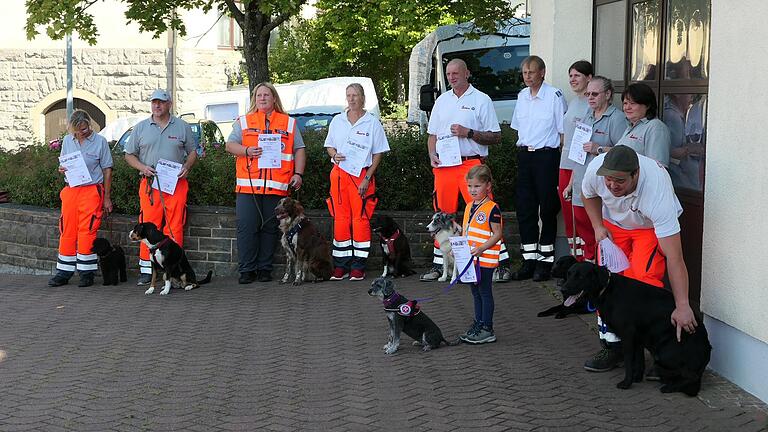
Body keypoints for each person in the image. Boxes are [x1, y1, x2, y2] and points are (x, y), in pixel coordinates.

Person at [580, 145, 698, 372]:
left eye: (620, 181)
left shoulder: (657, 193)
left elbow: (675, 258)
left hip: (648, 228)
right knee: (606, 284)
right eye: (609, 180)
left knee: (643, 281)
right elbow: (588, 193)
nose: (612, 185)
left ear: (636, 174)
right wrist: (597, 225)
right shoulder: (596, 170)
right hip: (613, 225)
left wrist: (683, 305)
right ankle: (613, 348)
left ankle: (655, 350)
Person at [420, 58, 510, 282]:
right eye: (449, 74)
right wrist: (431, 154)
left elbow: (496, 136)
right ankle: (441, 266)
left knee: (484, 212)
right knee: (442, 214)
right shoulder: (441, 100)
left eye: (456, 73)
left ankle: (498, 265)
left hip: (471, 163)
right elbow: (432, 136)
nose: (452, 77)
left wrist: (468, 132)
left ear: (467, 73)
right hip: (445, 167)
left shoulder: (481, 99)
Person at [225, 82, 306, 284]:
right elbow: (229, 145)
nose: (262, 98)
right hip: (248, 187)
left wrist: (298, 173)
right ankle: (246, 270)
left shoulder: (288, 122)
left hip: (277, 186)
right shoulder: (243, 121)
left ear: (274, 98)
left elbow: (300, 149)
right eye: (259, 95)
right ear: (254, 99)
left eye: (266, 95)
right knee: (247, 228)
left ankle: (264, 270)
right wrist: (246, 151)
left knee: (270, 229)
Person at [124, 89, 198, 285]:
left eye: (161, 102)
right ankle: (147, 271)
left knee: (175, 226)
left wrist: (186, 166)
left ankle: (174, 269)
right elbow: (129, 155)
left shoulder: (182, 126)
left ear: (169, 104)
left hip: (176, 184)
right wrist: (142, 167)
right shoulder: (140, 128)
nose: (157, 106)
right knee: (147, 225)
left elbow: (193, 153)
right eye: (154, 102)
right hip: (150, 185)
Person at [510, 55, 567, 281]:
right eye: (524, 73)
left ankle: (545, 262)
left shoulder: (554, 96)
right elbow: (518, 128)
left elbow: (562, 132)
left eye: (531, 72)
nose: (527, 76)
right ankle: (529, 260)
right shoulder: (522, 96)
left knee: (548, 209)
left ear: (542, 72)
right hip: (525, 156)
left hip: (546, 157)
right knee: (525, 209)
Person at [324, 83, 389, 281]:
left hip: (361, 175)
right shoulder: (338, 120)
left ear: (362, 98)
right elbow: (329, 146)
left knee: (360, 219)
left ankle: (358, 266)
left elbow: (378, 153)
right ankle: (340, 266)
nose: (351, 99)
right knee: (340, 219)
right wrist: (334, 155)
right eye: (348, 95)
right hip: (339, 174)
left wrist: (367, 177)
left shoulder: (372, 122)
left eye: (355, 95)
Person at [563, 76, 628, 262]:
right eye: (588, 94)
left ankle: (603, 272)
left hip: (602, 190)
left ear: (608, 94)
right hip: (580, 185)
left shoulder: (616, 119)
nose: (590, 98)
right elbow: (578, 155)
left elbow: (624, 153)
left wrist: (598, 149)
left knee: (600, 234)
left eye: (594, 94)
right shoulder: (587, 117)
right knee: (584, 235)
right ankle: (588, 271)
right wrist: (570, 184)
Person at [48, 110, 113, 288]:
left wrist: (107, 197)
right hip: (71, 190)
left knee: (88, 230)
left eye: (83, 129)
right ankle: (64, 272)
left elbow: (107, 170)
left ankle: (86, 273)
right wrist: (61, 168)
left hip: (92, 190)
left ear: (89, 124)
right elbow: (63, 163)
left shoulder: (100, 142)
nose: (80, 133)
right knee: (66, 229)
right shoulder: (68, 140)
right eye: (76, 131)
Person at [459, 164, 503, 344]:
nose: (472, 190)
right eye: (470, 186)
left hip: (484, 259)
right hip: (471, 259)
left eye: (477, 186)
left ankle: (487, 328)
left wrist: (482, 248)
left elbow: (498, 234)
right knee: (475, 293)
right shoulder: (469, 206)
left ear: (488, 186)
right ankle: (478, 324)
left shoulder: (492, 208)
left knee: (484, 292)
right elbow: (467, 231)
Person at [558, 60, 593, 262]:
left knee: (581, 215)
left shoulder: (590, 105)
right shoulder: (573, 102)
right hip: (565, 163)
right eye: (570, 75)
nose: (572, 79)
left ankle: (587, 259)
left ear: (589, 78)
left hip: (579, 166)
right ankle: (575, 260)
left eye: (577, 75)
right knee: (569, 216)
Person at [615, 83, 671, 167]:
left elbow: (657, 167)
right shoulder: (630, 126)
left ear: (647, 105)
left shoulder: (656, 127)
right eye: (625, 103)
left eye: (632, 103)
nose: (627, 107)